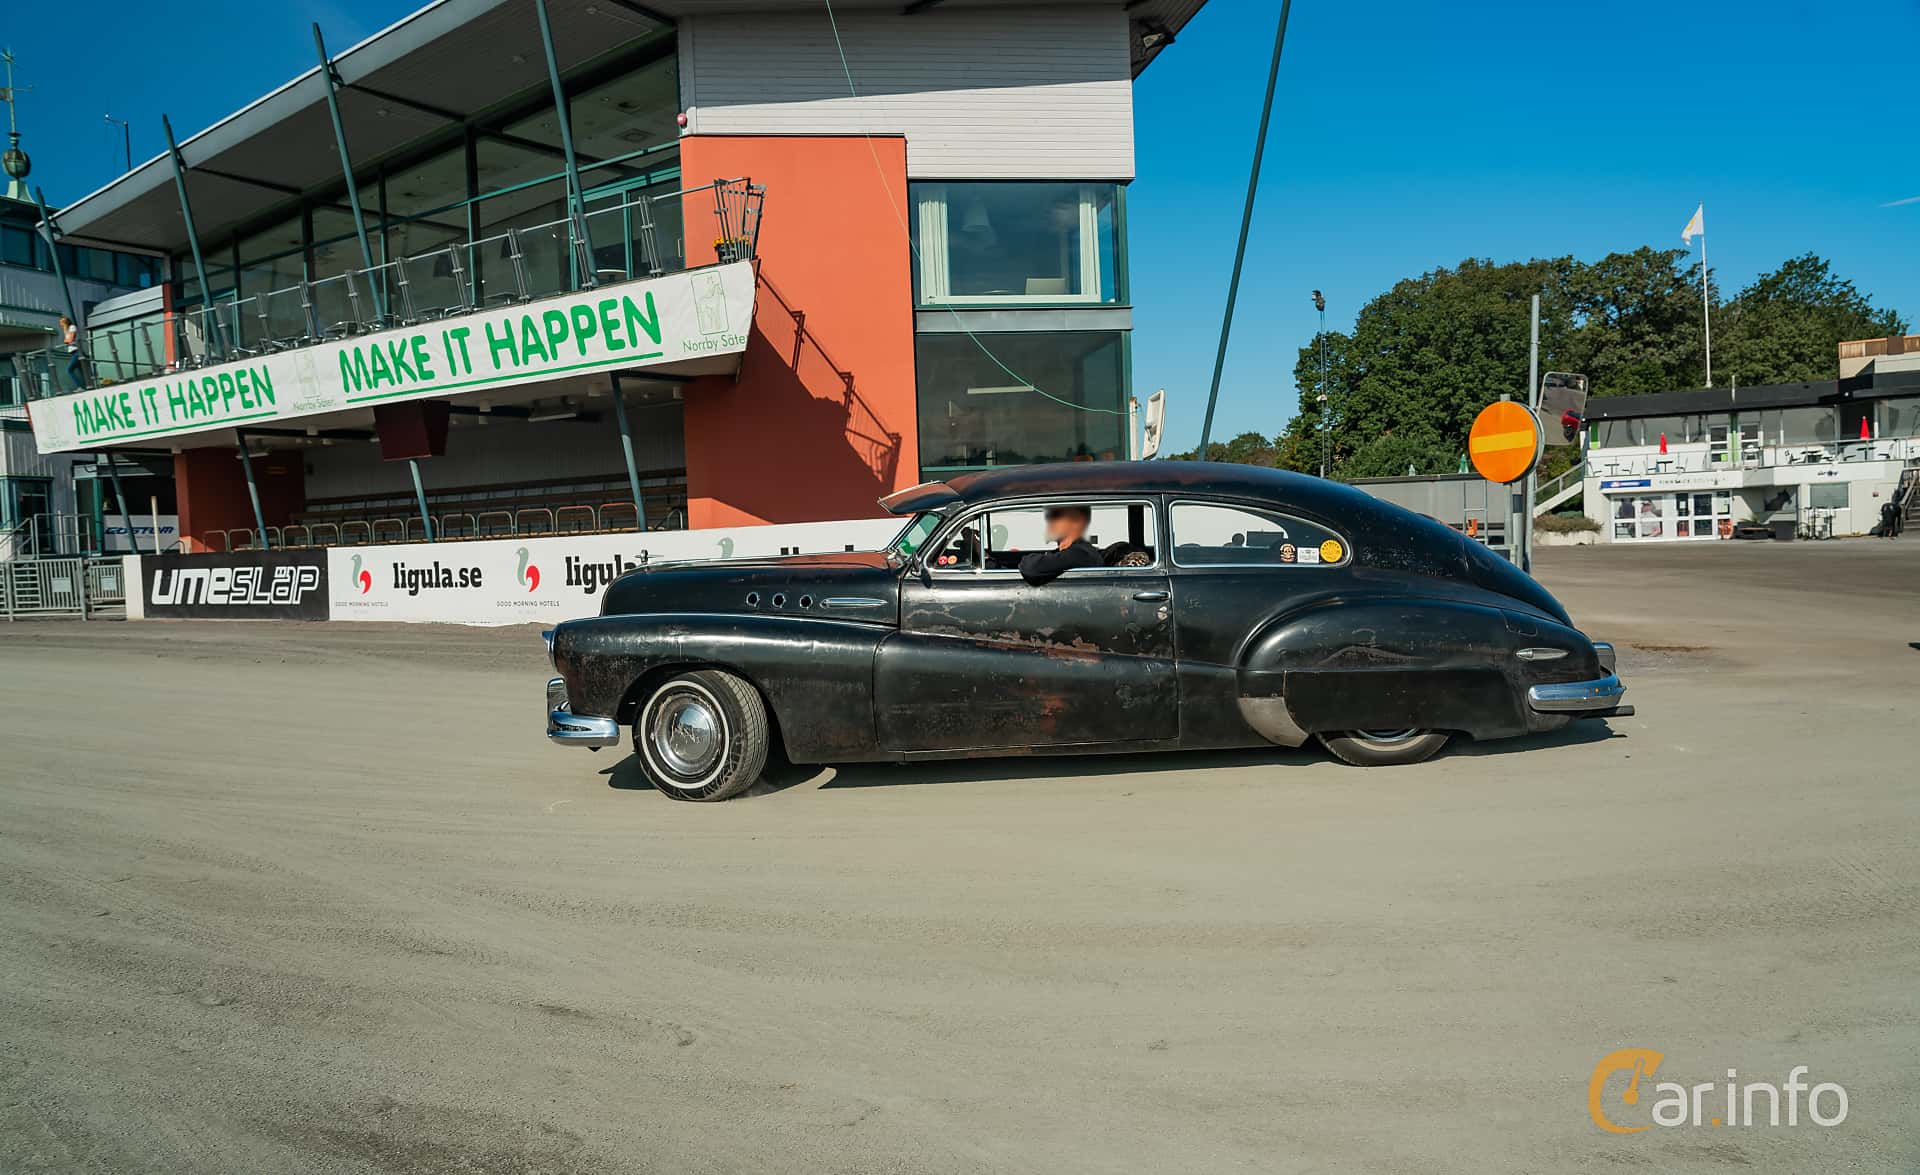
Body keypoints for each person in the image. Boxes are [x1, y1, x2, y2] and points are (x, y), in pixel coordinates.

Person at [989, 505, 1100, 585]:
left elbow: (1031, 568)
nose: (1050, 520)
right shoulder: (1072, 551)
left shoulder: (1081, 554)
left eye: (1057, 516)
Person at [57, 316, 85, 390]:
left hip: (76, 352)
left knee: (69, 370)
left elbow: (70, 339)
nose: (60, 325)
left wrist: (65, 341)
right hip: (73, 353)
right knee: (81, 371)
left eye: (61, 323)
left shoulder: (72, 327)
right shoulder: (66, 330)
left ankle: (80, 387)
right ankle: (85, 386)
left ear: (65, 322)